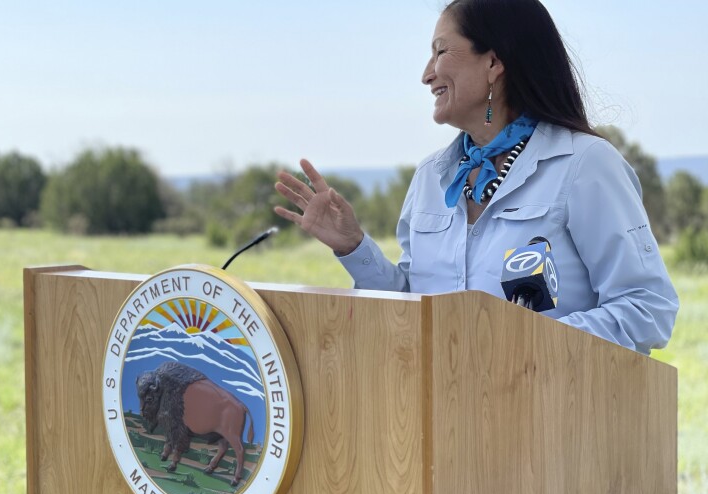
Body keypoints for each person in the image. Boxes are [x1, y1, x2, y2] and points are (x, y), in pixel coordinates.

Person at [274, 0, 678, 355]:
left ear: (493, 63)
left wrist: (525, 345)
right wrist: (353, 246)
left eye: (440, 51)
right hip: (444, 413)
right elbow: (412, 309)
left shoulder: (585, 164)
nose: (426, 74)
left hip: (550, 410)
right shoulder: (430, 177)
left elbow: (647, 307)